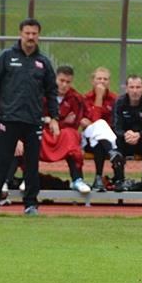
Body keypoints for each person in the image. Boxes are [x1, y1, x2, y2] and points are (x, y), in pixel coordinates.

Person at [0, 17, 59, 215]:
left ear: (38, 36)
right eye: (27, 33)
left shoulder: (43, 62)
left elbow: (52, 91)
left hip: (33, 121)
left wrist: (54, 117)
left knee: (32, 164)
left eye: (34, 34)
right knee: (0, 162)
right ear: (20, 34)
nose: (31, 37)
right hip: (8, 118)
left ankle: (31, 204)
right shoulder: (6, 57)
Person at [39, 65, 90, 194]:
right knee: (31, 135)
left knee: (71, 135)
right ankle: (29, 178)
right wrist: (52, 121)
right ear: (54, 79)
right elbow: (33, 117)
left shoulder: (76, 98)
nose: (64, 85)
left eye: (68, 82)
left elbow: (74, 125)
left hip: (63, 138)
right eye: (61, 81)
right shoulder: (41, 94)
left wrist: (59, 124)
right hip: (44, 135)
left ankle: (77, 179)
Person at [80, 67, 124, 191]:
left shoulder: (115, 99)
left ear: (109, 82)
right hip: (89, 140)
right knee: (100, 126)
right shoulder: (86, 99)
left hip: (109, 139)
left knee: (102, 137)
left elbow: (115, 123)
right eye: (99, 78)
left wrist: (93, 124)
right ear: (92, 81)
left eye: (105, 79)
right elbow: (95, 121)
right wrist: (99, 97)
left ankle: (106, 178)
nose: (102, 81)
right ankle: (112, 154)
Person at [112, 75, 142, 192]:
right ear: (126, 88)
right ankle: (119, 179)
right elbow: (116, 127)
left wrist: (139, 135)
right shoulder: (119, 102)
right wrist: (126, 134)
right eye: (131, 87)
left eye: (138, 87)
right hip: (125, 139)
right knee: (115, 142)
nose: (135, 91)